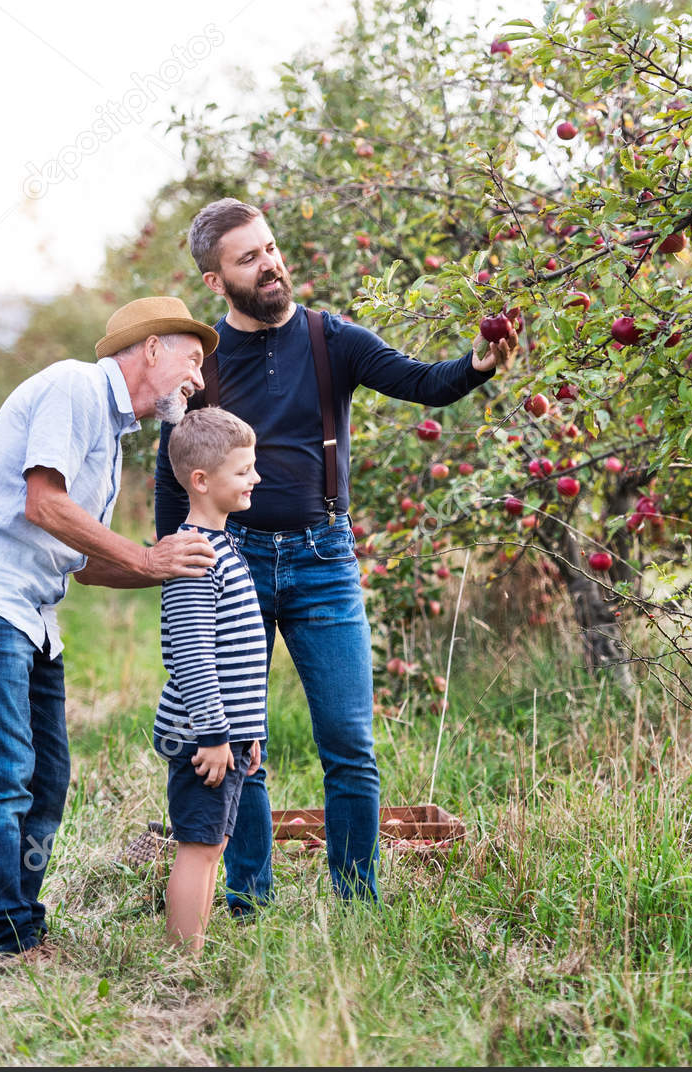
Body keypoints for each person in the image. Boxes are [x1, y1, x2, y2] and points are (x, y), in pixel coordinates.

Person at [156, 198, 517, 915]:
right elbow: (178, 469)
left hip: (325, 558)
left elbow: (422, 381)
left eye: (270, 248)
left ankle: (358, 898)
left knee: (350, 741)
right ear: (215, 280)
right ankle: (247, 897)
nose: (269, 263)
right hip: (233, 563)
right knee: (245, 745)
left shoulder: (332, 339)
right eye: (248, 257)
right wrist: (173, 560)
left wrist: (477, 365)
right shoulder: (209, 364)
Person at [0, 296, 220, 963]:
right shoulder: (75, 386)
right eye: (192, 359)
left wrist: (174, 568)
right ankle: (12, 938)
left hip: (30, 611)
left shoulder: (110, 437)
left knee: (47, 779)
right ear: (153, 347)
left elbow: (87, 568)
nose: (198, 378)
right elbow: (43, 501)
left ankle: (22, 923)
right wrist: (145, 554)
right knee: (4, 774)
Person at [152, 407, 266, 954]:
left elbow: (237, 658)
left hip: (226, 736)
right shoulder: (196, 558)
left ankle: (189, 946)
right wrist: (218, 735)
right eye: (243, 471)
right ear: (202, 481)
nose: (255, 478)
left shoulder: (224, 548)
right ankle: (183, 958)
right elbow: (194, 659)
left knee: (212, 844)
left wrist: (247, 734)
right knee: (198, 846)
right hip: (204, 737)